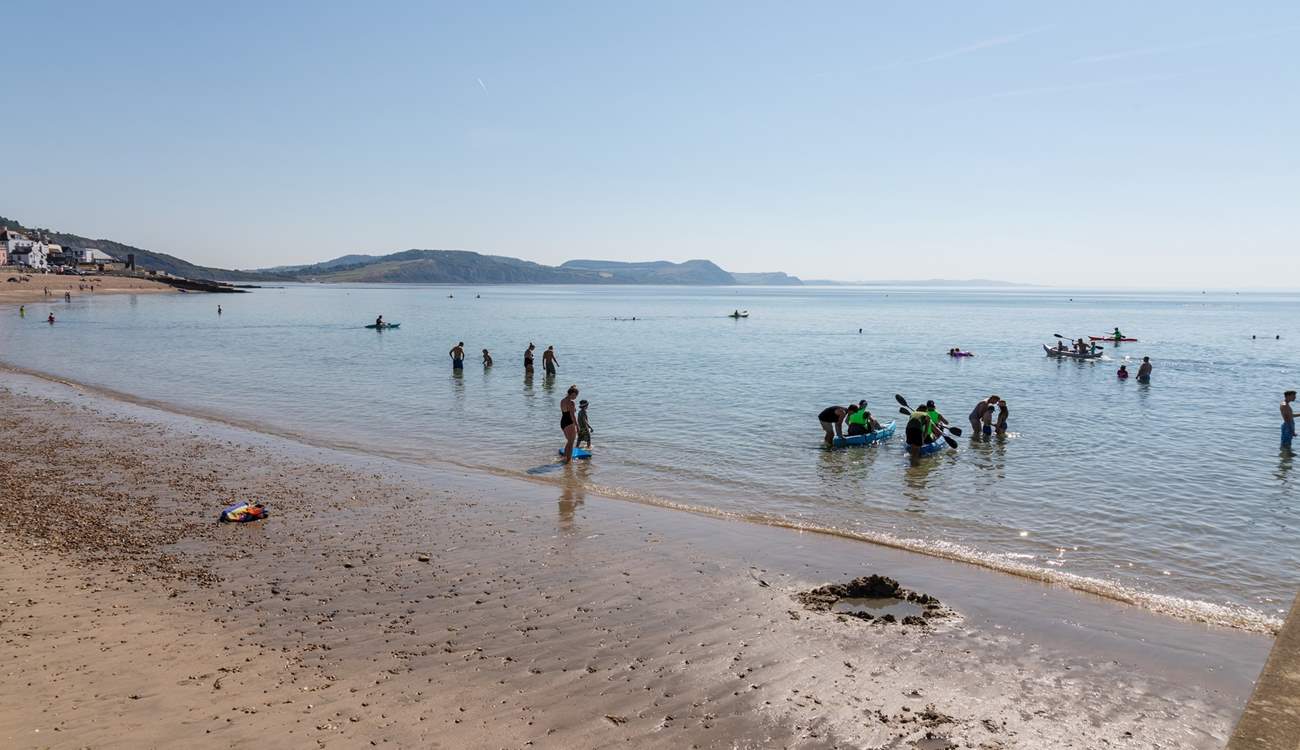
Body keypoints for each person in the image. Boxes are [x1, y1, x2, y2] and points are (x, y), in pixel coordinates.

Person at [560, 385, 580, 462]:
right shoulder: (571, 403)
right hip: (569, 422)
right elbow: (572, 416)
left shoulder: (562, 400)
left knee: (569, 441)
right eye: (575, 395)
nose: (576, 397)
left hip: (563, 422)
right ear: (572, 394)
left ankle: (565, 456)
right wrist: (577, 426)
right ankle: (569, 461)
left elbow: (566, 411)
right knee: (571, 443)